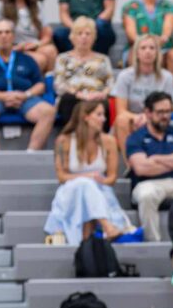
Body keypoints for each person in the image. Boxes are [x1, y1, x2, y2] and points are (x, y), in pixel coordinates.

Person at [43, 101, 133, 243]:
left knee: (89, 188)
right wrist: (87, 177)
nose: (104, 119)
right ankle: (107, 227)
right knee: (84, 184)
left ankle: (87, 240)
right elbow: (61, 177)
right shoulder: (63, 141)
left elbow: (112, 178)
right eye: (99, 115)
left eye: (104, 115)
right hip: (71, 190)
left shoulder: (109, 141)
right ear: (86, 117)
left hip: (100, 189)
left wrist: (100, 180)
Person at [0, 19, 55, 153]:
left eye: (7, 32)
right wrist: (2, 96)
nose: (3, 36)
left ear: (13, 36)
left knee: (48, 111)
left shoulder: (27, 59)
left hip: (25, 98)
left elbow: (40, 85)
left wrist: (25, 95)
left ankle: (31, 154)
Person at [126, 92, 173, 242]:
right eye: (160, 112)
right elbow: (141, 168)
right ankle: (153, 243)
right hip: (147, 183)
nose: (165, 116)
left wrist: (156, 159)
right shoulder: (136, 137)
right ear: (148, 113)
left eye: (168, 112)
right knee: (147, 195)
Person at [112, 35, 173, 159]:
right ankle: (131, 164)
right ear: (136, 53)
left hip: (157, 118)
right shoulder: (124, 76)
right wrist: (138, 117)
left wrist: (149, 118)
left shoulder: (167, 77)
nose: (148, 51)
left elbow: (170, 109)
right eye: (143, 48)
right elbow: (121, 110)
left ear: (157, 53)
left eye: (152, 48)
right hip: (132, 119)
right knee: (121, 120)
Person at [53, 17, 114, 127]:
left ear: (94, 38)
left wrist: (102, 94)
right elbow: (59, 84)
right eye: (79, 33)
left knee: (103, 103)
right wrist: (79, 94)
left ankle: (97, 136)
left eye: (88, 34)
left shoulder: (103, 59)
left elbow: (110, 84)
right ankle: (70, 134)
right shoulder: (62, 58)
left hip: (96, 97)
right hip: (73, 97)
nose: (84, 37)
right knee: (67, 99)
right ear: (72, 37)